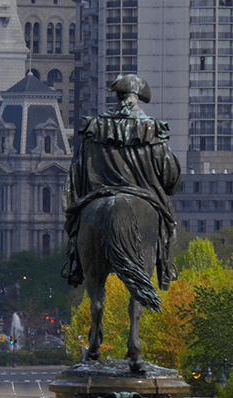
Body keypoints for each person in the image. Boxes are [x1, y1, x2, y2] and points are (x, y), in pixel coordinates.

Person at [61, 74, 181, 292]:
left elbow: (77, 172)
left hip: (99, 194)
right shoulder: (152, 128)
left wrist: (75, 205)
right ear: (138, 98)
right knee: (167, 225)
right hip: (144, 195)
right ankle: (166, 266)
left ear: (117, 97)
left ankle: (74, 265)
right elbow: (170, 177)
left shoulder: (95, 127)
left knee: (78, 225)